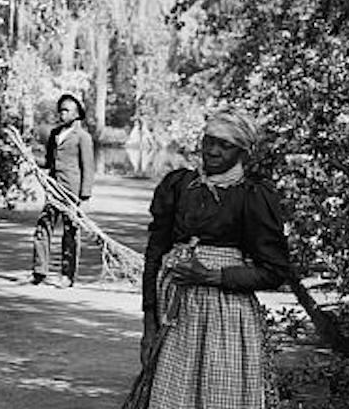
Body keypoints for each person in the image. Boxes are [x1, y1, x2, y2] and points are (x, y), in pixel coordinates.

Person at [122, 113, 293, 409]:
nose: (213, 151)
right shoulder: (179, 187)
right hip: (175, 319)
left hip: (225, 322)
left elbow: (275, 270)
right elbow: (154, 256)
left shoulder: (252, 196)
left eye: (224, 145)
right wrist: (149, 325)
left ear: (242, 151)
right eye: (208, 142)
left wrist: (213, 276)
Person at [32, 94, 94, 287]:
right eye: (60, 109)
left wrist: (84, 195)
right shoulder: (55, 134)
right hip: (54, 188)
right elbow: (49, 162)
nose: (62, 113)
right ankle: (39, 271)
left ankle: (67, 275)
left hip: (71, 191)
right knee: (43, 226)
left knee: (70, 232)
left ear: (77, 114)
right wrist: (32, 159)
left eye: (66, 110)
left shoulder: (83, 137)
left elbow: (88, 167)